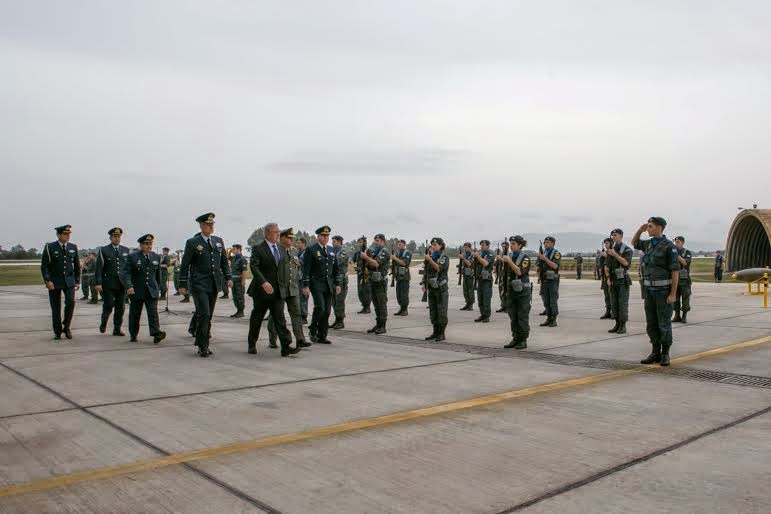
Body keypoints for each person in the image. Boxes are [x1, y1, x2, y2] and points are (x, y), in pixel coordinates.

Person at [179, 213, 232, 358]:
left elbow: (224, 262)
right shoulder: (193, 242)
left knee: (208, 315)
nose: (211, 227)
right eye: (208, 224)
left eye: (212, 224)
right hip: (198, 283)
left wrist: (228, 277)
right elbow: (185, 265)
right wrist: (182, 284)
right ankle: (203, 345)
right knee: (204, 313)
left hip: (214, 283)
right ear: (201, 226)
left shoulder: (218, 241)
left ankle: (202, 338)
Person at [246, 222, 301, 357]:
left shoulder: (282, 249)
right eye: (275, 232)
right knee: (257, 318)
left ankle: (286, 346)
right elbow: (254, 266)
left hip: (278, 291)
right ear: (267, 234)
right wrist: (263, 282)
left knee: (280, 318)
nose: (278, 234)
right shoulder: (258, 248)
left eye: (278, 231)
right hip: (261, 291)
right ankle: (252, 343)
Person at [633, 217, 679, 366]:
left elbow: (674, 271)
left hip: (663, 291)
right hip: (649, 291)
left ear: (659, 228)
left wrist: (673, 294)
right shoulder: (648, 244)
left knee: (664, 323)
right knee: (651, 323)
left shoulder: (669, 246)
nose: (648, 228)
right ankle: (655, 352)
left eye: (651, 226)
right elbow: (634, 243)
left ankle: (665, 354)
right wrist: (640, 230)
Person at [267, 229, 310, 349]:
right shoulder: (276, 250)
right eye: (290, 238)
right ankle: (272, 339)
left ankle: (300, 339)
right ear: (282, 238)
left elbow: (296, 269)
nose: (292, 240)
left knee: (296, 314)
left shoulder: (294, 251)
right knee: (276, 314)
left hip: (293, 288)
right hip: (279, 288)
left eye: (293, 238)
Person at [120, 234, 166, 344]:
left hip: (151, 290)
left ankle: (156, 333)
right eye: (146, 244)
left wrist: (159, 287)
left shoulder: (156, 257)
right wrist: (129, 286)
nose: (149, 246)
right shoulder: (133, 257)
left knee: (153, 313)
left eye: (150, 244)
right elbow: (125, 273)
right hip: (137, 290)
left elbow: (157, 275)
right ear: (141, 245)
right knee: (135, 314)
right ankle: (133, 334)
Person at [302, 226, 342, 344]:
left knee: (327, 311)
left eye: (327, 236)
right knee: (320, 308)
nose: (325, 238)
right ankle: (313, 330)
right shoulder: (311, 249)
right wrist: (305, 286)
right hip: (316, 284)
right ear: (318, 236)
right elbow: (306, 269)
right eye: (323, 236)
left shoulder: (331, 250)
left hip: (329, 284)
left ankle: (322, 335)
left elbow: (336, 269)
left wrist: (338, 283)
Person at [41, 224, 81, 340]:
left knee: (71, 302)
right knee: (55, 307)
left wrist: (77, 281)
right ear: (58, 235)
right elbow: (45, 266)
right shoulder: (50, 247)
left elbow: (77, 266)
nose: (67, 236)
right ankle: (57, 331)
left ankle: (66, 326)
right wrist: (47, 280)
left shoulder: (73, 247)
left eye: (69, 234)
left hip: (69, 281)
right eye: (65, 234)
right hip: (54, 281)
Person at [95, 227, 129, 336]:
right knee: (108, 305)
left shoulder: (125, 250)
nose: (117, 238)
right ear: (110, 238)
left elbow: (128, 268)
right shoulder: (104, 250)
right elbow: (99, 268)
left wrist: (129, 283)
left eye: (118, 236)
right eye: (115, 236)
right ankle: (103, 322)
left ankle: (117, 328)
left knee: (121, 307)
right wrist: (98, 283)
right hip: (108, 283)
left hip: (121, 284)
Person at [500, 235, 531, 349]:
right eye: (510, 244)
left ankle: (523, 340)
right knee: (513, 316)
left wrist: (509, 261)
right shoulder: (510, 256)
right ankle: (515, 338)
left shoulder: (525, 258)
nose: (511, 246)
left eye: (513, 244)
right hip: (511, 291)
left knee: (522, 316)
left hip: (522, 292)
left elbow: (519, 272)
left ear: (520, 245)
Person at [360, 233, 391, 334]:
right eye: (375, 240)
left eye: (377, 241)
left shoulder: (384, 252)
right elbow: (369, 264)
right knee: (376, 304)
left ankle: (383, 326)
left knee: (381, 304)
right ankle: (378, 324)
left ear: (383, 241)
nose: (375, 242)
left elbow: (376, 263)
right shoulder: (374, 251)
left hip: (380, 282)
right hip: (373, 280)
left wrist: (366, 258)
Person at [606, 228, 633, 334]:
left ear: (621, 236)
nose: (613, 237)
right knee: (614, 303)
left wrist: (615, 255)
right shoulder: (611, 250)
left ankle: (623, 325)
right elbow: (607, 266)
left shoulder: (627, 250)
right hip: (613, 280)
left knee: (622, 303)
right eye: (612, 235)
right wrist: (608, 278)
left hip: (622, 280)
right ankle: (617, 323)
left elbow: (626, 263)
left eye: (615, 235)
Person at [424, 237, 450, 342]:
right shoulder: (431, 257)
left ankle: (441, 333)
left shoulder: (444, 257)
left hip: (441, 289)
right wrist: (424, 284)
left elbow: (439, 268)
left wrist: (429, 259)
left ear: (441, 245)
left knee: (441, 311)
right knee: (433, 311)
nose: (433, 247)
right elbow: (427, 272)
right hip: (432, 288)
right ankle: (435, 332)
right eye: (432, 245)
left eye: (435, 245)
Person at [538, 236, 561, 327]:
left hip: (552, 280)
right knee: (546, 301)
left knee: (553, 300)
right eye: (545, 242)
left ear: (552, 243)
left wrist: (545, 259)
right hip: (544, 280)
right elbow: (539, 266)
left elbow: (555, 266)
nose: (545, 244)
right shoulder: (543, 253)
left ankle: (554, 319)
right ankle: (548, 318)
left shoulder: (556, 253)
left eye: (547, 242)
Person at [472, 240, 495, 322]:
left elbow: (486, 263)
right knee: (480, 298)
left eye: (483, 245)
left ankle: (486, 316)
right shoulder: (481, 254)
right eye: (481, 245)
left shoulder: (490, 254)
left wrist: (478, 256)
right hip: (480, 279)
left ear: (488, 246)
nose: (482, 247)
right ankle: (482, 314)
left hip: (487, 280)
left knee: (486, 298)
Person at [330, 235, 349, 329]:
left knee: (339, 301)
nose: (333, 243)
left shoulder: (343, 252)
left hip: (341, 280)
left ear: (340, 242)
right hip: (333, 280)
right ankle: (337, 320)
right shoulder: (332, 251)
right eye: (332, 241)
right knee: (333, 301)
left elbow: (337, 261)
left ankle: (340, 321)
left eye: (335, 241)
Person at [672, 236, 692, 323]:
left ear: (682, 243)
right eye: (675, 241)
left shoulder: (687, 252)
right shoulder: (672, 252)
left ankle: (684, 316)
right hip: (674, 279)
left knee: (685, 298)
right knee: (675, 298)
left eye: (678, 242)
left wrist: (676, 255)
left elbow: (685, 263)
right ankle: (677, 315)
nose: (676, 243)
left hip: (684, 280)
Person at [391, 239, 412, 316]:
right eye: (398, 244)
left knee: (404, 294)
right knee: (399, 294)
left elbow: (404, 263)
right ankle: (401, 308)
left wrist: (394, 258)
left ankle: (405, 309)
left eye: (400, 244)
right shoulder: (397, 253)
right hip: (398, 277)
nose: (399, 245)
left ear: (404, 244)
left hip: (405, 277)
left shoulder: (408, 253)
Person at [353, 236, 372, 314]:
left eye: (361, 242)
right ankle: (364, 306)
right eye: (359, 242)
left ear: (365, 243)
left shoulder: (369, 251)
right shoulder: (358, 252)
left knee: (366, 291)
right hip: (359, 274)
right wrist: (353, 264)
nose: (359, 244)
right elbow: (352, 260)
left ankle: (367, 307)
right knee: (360, 291)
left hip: (366, 275)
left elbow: (371, 262)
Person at [458, 242, 475, 311]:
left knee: (470, 290)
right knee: (465, 290)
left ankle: (471, 304)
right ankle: (467, 303)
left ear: (470, 248)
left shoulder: (472, 255)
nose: (465, 248)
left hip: (470, 274)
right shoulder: (464, 254)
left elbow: (469, 264)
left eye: (466, 247)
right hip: (465, 273)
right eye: (464, 247)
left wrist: (463, 258)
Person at [599, 238, 613, 319]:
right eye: (605, 244)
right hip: (604, 277)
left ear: (611, 243)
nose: (606, 245)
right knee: (607, 296)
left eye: (607, 243)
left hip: (611, 277)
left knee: (612, 296)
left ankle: (614, 312)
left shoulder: (614, 252)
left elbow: (616, 261)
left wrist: (607, 256)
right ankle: (608, 311)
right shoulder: (604, 253)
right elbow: (601, 265)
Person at [296, 237, 309, 322]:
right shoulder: (298, 252)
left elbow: (300, 262)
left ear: (303, 244)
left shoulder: (306, 253)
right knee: (297, 298)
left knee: (303, 298)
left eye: (299, 243)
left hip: (304, 279)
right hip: (297, 278)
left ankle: (304, 317)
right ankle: (300, 315)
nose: (297, 244)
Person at [495, 241, 509, 312]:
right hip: (501, 275)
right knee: (501, 291)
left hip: (506, 276)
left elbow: (508, 262)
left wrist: (500, 258)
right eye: (502, 246)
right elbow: (497, 265)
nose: (503, 248)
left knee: (506, 291)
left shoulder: (509, 254)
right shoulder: (501, 254)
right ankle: (503, 305)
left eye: (504, 246)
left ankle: (507, 306)